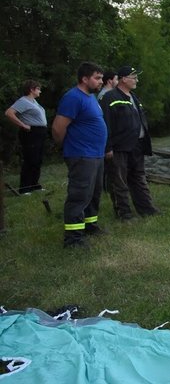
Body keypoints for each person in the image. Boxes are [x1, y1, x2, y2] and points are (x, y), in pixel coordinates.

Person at [51, 62, 107, 248]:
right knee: (79, 195)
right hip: (81, 155)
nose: (101, 81)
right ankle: (73, 239)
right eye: (97, 78)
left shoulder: (91, 98)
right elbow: (58, 129)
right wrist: (69, 147)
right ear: (84, 79)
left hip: (96, 155)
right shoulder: (73, 97)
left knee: (94, 193)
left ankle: (90, 225)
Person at [100, 66, 160, 220]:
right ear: (123, 79)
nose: (136, 80)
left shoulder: (133, 97)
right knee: (119, 180)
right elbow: (105, 124)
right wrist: (108, 147)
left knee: (139, 178)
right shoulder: (110, 98)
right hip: (120, 147)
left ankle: (147, 209)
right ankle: (124, 213)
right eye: (134, 77)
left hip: (137, 145)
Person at [5, 79, 47, 193]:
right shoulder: (23, 101)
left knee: (38, 159)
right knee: (30, 159)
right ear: (31, 89)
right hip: (31, 133)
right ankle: (24, 188)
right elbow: (9, 113)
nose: (40, 91)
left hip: (40, 132)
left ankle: (34, 185)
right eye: (38, 89)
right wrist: (23, 125)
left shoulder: (34, 102)